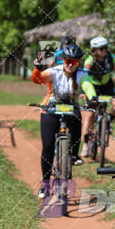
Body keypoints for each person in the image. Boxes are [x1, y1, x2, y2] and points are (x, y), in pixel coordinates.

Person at [32, 43, 97, 198]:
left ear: (78, 63)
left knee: (77, 118)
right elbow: (38, 79)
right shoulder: (54, 71)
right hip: (50, 108)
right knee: (47, 147)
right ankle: (45, 184)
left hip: (70, 108)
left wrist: (93, 98)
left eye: (73, 62)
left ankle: (74, 155)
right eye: (67, 61)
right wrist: (38, 69)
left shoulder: (81, 74)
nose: (70, 64)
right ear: (63, 60)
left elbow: (88, 86)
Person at [81, 36, 115, 157]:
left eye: (106, 48)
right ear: (94, 50)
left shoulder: (110, 57)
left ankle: (107, 121)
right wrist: (83, 92)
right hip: (94, 87)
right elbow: (84, 77)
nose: (104, 51)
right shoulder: (89, 61)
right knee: (90, 114)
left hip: (107, 86)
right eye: (101, 49)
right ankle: (86, 143)